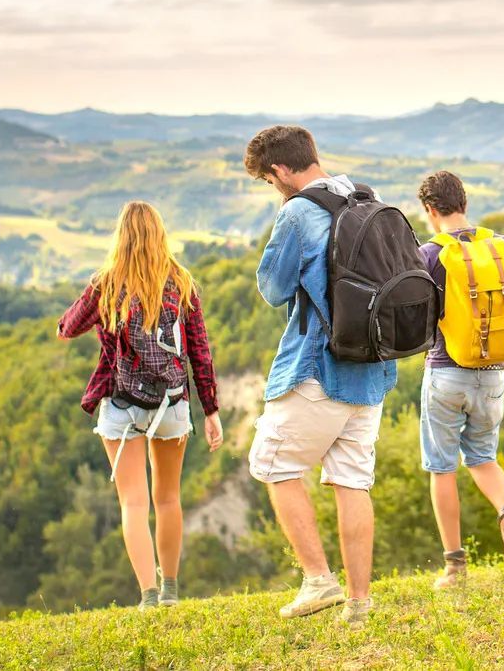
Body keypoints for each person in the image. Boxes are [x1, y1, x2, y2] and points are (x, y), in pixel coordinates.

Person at [245, 125, 395, 626]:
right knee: (353, 481)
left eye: (269, 180)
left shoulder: (297, 212)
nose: (274, 188)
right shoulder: (366, 197)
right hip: (372, 370)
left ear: (281, 171)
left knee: (273, 466)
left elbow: (272, 287)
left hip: (318, 368)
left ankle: (318, 581)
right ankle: (358, 602)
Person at [57, 201, 223, 610]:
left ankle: (148, 595)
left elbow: (68, 328)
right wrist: (212, 410)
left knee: (134, 502)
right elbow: (199, 352)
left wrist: (95, 296)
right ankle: (171, 590)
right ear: (159, 234)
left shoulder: (107, 283)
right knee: (168, 499)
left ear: (121, 237)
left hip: (121, 403)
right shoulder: (181, 282)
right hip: (172, 404)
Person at [415, 170, 504, 588]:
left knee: (442, 468)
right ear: (464, 201)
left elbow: (418, 322)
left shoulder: (428, 254)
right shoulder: (502, 245)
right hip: (492, 373)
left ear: (430, 211)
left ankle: (454, 567)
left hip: (445, 370)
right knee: (484, 459)